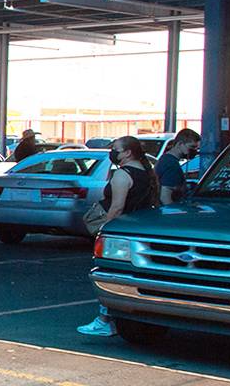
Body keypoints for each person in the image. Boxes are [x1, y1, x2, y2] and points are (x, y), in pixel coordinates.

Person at [78, 136, 160, 337]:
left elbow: (117, 207)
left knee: (109, 273)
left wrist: (103, 230)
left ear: (127, 153)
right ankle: (115, 316)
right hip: (138, 229)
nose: (112, 152)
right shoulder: (146, 173)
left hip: (119, 234)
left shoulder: (123, 175)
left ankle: (105, 319)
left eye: (116, 149)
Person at [157, 129, 201, 205]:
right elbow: (165, 197)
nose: (194, 151)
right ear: (180, 144)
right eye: (192, 147)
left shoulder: (165, 159)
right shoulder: (172, 165)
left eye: (196, 148)